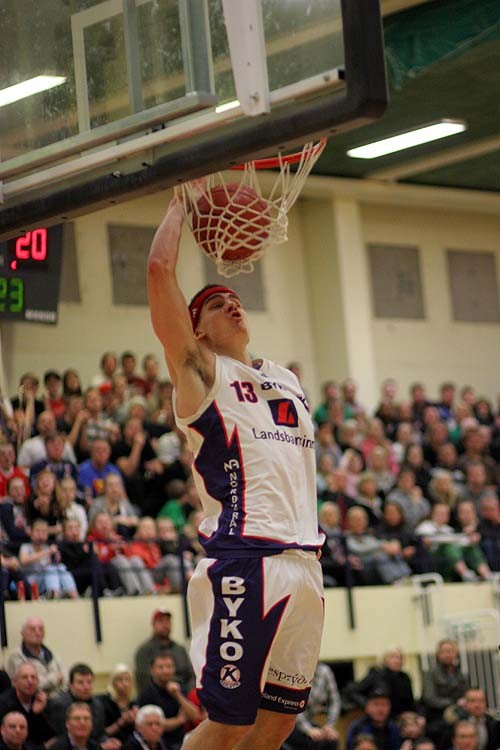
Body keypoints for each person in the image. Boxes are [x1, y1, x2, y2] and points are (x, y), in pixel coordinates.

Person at [147, 196, 325, 750]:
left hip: (306, 563)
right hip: (246, 561)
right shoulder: (202, 373)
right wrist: (181, 203)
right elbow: (158, 272)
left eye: (235, 300)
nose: (231, 306)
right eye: (215, 305)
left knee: (279, 723)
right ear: (195, 330)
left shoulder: (288, 380)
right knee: (229, 723)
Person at [136, 654, 199, 749]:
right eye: (160, 667)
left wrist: (178, 695)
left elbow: (195, 716)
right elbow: (154, 725)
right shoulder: (146, 694)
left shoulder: (179, 688)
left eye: (169, 667)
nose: (165, 671)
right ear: (152, 670)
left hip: (182, 741)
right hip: (160, 744)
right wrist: (179, 720)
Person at [134, 611, 194, 695]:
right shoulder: (144, 651)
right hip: (157, 697)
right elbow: (144, 681)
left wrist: (187, 692)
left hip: (183, 694)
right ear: (153, 625)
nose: (165, 625)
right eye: (161, 621)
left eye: (167, 621)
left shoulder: (180, 650)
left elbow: (191, 676)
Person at [6, 617, 67, 698]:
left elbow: (65, 678)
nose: (38, 633)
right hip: (32, 701)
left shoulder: (53, 654)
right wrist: (55, 679)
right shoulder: (16, 656)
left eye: (41, 629)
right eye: (32, 629)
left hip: (58, 699)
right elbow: (29, 685)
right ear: (22, 633)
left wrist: (46, 681)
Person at [284, 663, 340, 749]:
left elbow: (334, 700)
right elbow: (293, 706)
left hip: (309, 721)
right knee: (312, 743)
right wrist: (308, 730)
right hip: (291, 722)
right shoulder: (293, 672)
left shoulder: (324, 671)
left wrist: (329, 725)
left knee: (332, 741)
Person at [47, 664, 105, 741]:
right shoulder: (58, 705)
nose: (86, 687)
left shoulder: (98, 704)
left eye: (89, 682)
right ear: (70, 685)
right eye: (80, 683)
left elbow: (101, 734)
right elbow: (61, 737)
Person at [0, 664, 54, 745]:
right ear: (15, 682)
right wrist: (33, 714)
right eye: (24, 677)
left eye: (33, 677)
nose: (30, 681)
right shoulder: (3, 704)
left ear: (38, 682)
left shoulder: (42, 700)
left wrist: (37, 714)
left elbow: (50, 737)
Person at [98, 664, 137, 745]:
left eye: (127, 680)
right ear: (113, 683)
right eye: (120, 680)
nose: (125, 683)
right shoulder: (104, 703)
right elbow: (102, 734)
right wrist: (121, 722)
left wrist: (137, 721)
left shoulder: (134, 703)